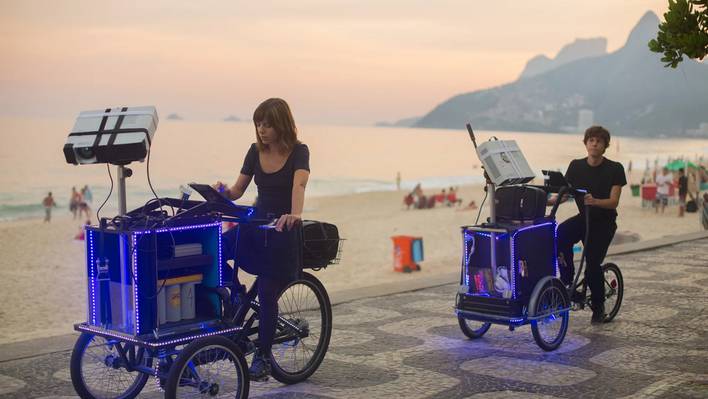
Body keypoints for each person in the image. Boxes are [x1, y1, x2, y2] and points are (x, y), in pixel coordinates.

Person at [214, 98, 309, 381]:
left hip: (282, 230)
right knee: (214, 250)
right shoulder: (254, 152)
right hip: (256, 226)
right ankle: (238, 297)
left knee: (267, 293)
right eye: (258, 124)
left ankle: (264, 357)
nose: (262, 129)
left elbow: (299, 183)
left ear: (281, 124)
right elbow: (237, 191)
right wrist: (221, 193)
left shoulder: (299, 152)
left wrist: (294, 214)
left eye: (267, 124)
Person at [549, 126, 626, 324]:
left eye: (598, 141)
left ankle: (599, 307)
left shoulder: (615, 169)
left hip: (604, 223)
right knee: (561, 234)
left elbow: (614, 201)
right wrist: (547, 200)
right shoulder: (575, 166)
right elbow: (565, 194)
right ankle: (567, 280)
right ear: (586, 143)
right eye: (591, 140)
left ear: (605, 146)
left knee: (592, 265)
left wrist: (596, 202)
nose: (594, 143)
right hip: (584, 218)